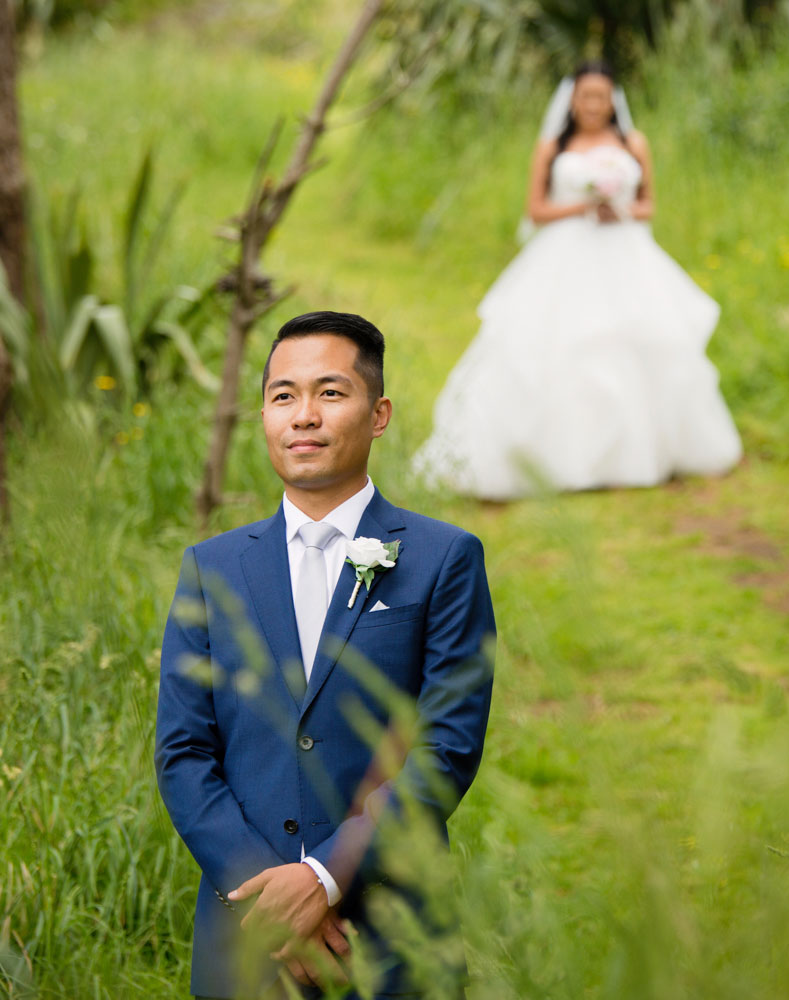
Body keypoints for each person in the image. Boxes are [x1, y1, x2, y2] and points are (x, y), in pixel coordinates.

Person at [155, 311, 496, 998]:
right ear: (263, 416)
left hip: (392, 936)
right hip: (248, 935)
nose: (303, 416)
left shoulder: (442, 559)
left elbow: (446, 747)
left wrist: (326, 877)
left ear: (378, 414)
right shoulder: (210, 569)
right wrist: (270, 896)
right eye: (284, 396)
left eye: (330, 393)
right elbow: (184, 753)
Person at [413, 61, 742, 499]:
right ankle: (560, 457)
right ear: (573, 100)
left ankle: (640, 454)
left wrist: (617, 208)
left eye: (601, 97)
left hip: (624, 251)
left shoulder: (633, 143)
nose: (593, 105)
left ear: (613, 101)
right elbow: (537, 210)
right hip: (565, 253)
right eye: (585, 97)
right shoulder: (552, 147)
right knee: (560, 345)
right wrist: (585, 204)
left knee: (633, 343)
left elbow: (648, 206)